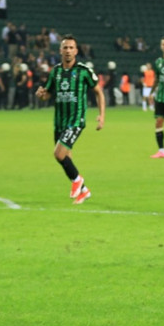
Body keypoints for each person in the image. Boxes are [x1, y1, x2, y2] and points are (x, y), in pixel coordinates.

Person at [35, 34, 105, 205]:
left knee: (58, 154)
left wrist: (101, 115)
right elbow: (48, 94)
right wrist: (41, 96)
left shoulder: (84, 71)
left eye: (71, 47)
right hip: (59, 121)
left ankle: (77, 181)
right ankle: (84, 190)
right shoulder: (56, 72)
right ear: (60, 50)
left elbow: (98, 92)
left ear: (76, 51)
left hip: (76, 120)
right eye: (65, 47)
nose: (68, 50)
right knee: (66, 158)